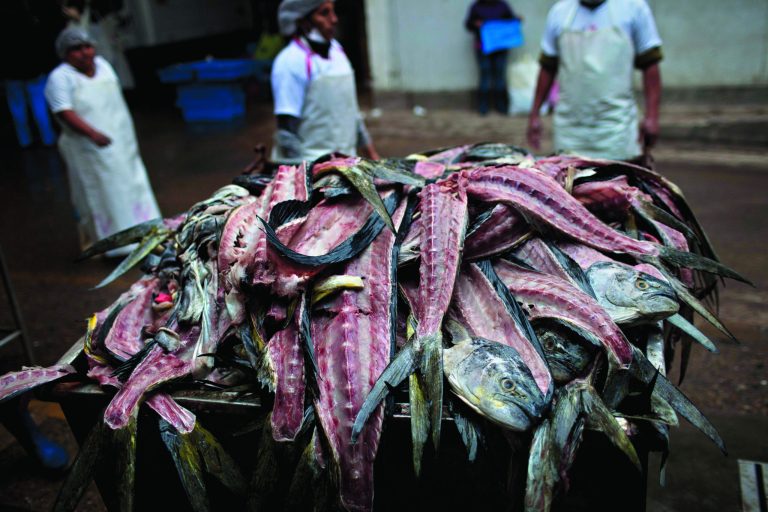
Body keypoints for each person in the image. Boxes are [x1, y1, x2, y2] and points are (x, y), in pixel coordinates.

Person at [44, 28, 160, 255]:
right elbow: (63, 112)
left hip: (122, 143)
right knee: (103, 192)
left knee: (132, 186)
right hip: (88, 148)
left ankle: (145, 232)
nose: (83, 53)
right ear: (65, 54)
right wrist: (92, 133)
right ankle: (114, 244)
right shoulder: (60, 78)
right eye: (75, 49)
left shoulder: (104, 66)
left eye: (87, 46)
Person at [526, 0, 662, 161]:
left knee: (618, 183)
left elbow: (650, 65)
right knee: (570, 181)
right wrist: (535, 114)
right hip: (570, 130)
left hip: (616, 128)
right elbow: (547, 67)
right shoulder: (560, 12)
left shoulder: (633, 8)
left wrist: (652, 116)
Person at [270, 0, 379, 164]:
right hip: (313, 166)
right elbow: (287, 133)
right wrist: (302, 177)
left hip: (347, 163)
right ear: (302, 20)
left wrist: (373, 156)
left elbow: (352, 112)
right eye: (324, 13)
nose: (334, 19)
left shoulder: (338, 51)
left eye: (333, 12)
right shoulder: (290, 61)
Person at [1, 0, 66, 148]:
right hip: (33, 67)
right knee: (39, 103)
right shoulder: (30, 18)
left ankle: (24, 139)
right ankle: (48, 137)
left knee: (17, 106)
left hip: (10, 70)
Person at [464, 0, 520, 115]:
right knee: (485, 75)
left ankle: (501, 106)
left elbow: (511, 20)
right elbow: (468, 24)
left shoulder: (502, 6)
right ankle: (483, 107)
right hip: (482, 46)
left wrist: (516, 20)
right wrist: (476, 24)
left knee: (499, 75)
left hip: (500, 47)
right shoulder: (476, 6)